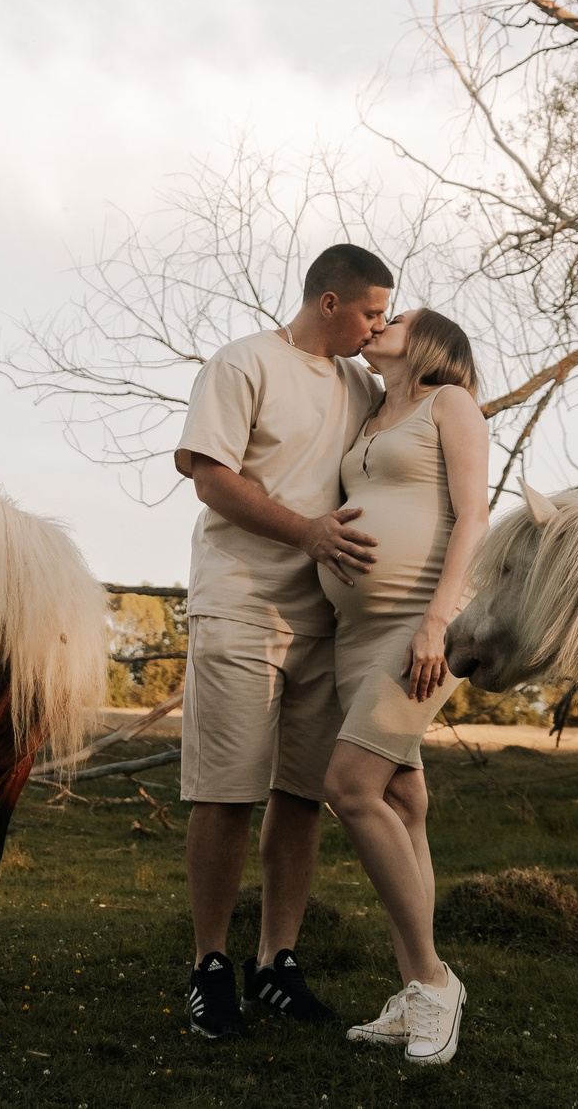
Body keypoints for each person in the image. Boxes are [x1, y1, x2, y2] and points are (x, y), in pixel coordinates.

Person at [170, 243, 393, 1040]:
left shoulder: (364, 384)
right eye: (372, 311)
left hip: (326, 620)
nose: (380, 325)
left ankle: (277, 962)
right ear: (329, 302)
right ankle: (209, 967)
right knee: (227, 792)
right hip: (240, 603)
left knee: (302, 796)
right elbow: (211, 478)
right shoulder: (242, 363)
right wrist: (308, 531)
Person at [320, 307, 488, 1066]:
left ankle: (433, 979)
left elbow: (475, 511)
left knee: (350, 787)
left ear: (432, 340)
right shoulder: (373, 408)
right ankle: (413, 989)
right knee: (399, 800)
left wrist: (436, 621)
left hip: (418, 623)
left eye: (400, 315)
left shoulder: (449, 402)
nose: (382, 320)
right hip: (356, 634)